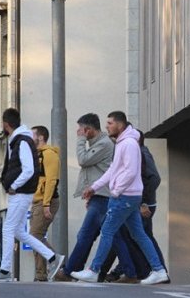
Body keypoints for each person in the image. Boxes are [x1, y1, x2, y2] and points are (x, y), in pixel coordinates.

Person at [71, 111, 169, 285]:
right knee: (138, 234)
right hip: (129, 196)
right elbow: (113, 170)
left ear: (120, 125)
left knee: (108, 231)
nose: (107, 126)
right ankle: (159, 270)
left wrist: (116, 190)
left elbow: (130, 172)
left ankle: (94, 270)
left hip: (125, 196)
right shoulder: (122, 143)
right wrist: (94, 187)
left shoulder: (129, 143)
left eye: (110, 123)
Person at [54, 113, 135, 283]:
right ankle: (129, 271)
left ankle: (70, 271)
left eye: (81, 129)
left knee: (89, 234)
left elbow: (83, 160)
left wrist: (80, 140)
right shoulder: (100, 143)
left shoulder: (104, 144)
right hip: (99, 195)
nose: (78, 132)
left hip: (104, 196)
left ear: (88, 129)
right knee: (107, 235)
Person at [0, 108, 65, 282]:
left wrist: (14, 185)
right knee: (20, 233)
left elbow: (29, 169)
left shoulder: (22, 141)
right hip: (23, 193)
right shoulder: (21, 140)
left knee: (7, 229)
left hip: (20, 193)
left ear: (6, 124)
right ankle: (53, 258)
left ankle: (5, 271)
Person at [104, 129, 167, 281]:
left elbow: (154, 179)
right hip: (136, 202)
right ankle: (139, 271)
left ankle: (153, 271)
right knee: (130, 236)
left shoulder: (142, 154)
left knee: (139, 237)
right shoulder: (136, 153)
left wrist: (144, 202)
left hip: (142, 204)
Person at [29, 125, 60, 282]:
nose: (29, 137)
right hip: (37, 200)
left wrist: (46, 204)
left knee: (35, 236)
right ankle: (43, 274)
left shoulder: (49, 155)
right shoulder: (37, 155)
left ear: (40, 137)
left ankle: (55, 262)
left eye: (32, 134)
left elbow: (51, 181)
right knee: (36, 236)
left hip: (45, 201)